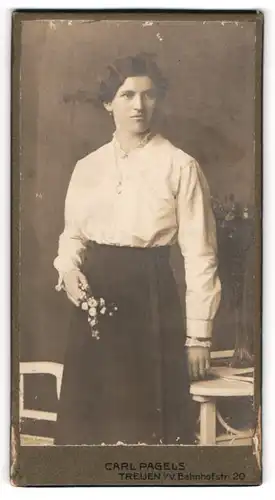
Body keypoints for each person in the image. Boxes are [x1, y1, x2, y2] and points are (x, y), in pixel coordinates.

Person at [53, 54, 221, 445]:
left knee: (146, 431)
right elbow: (73, 236)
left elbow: (201, 255)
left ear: (158, 100)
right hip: (95, 306)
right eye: (127, 95)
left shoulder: (180, 166)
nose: (138, 106)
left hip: (151, 303)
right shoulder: (87, 167)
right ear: (108, 102)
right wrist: (68, 270)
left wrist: (199, 337)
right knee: (89, 431)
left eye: (148, 95)